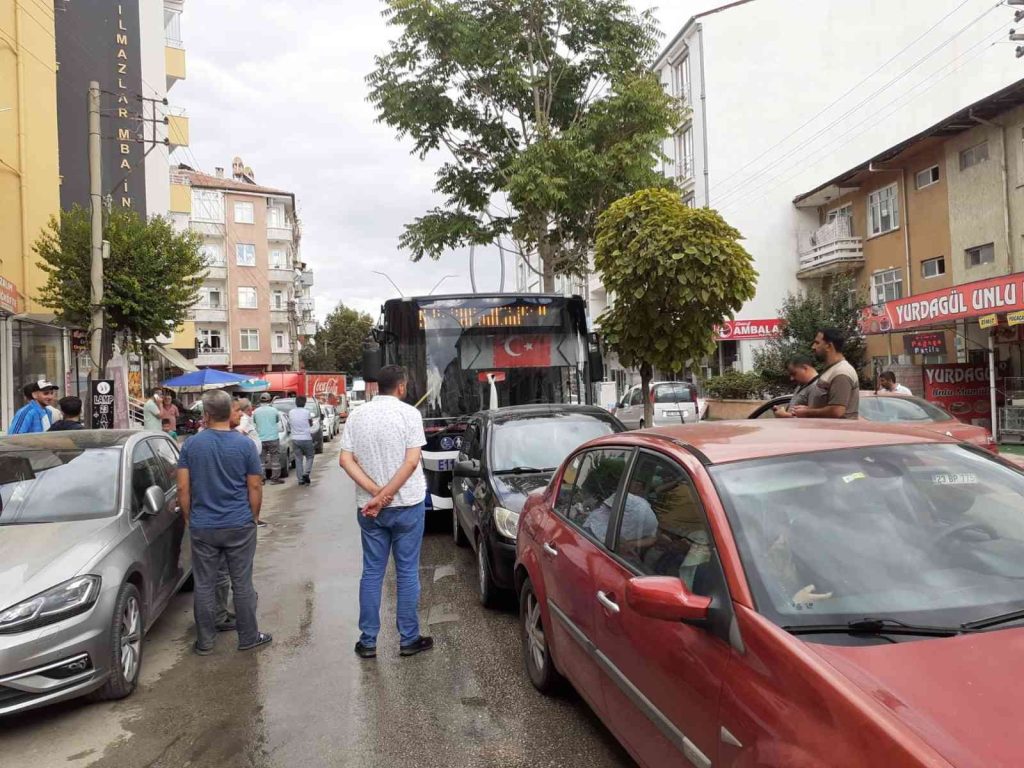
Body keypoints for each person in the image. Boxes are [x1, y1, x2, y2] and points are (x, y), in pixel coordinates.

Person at [339, 365, 432, 659]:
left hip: (369, 511)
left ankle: (367, 641)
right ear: (402, 387)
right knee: (406, 572)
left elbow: (345, 460)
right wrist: (387, 494)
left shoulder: (357, 415)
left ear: (377, 386)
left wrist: (376, 494)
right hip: (407, 506)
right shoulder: (410, 415)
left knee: (372, 573)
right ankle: (408, 639)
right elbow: (411, 462)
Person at [177, 390, 271, 656]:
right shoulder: (244, 445)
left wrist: (189, 517)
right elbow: (255, 485)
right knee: (242, 583)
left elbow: (183, 488)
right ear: (228, 412)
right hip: (239, 523)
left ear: (205, 415)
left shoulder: (192, 445)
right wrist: (253, 516)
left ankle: (205, 641)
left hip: (204, 525)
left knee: (205, 584)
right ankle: (249, 637)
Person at [792, 328, 860, 420]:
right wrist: (808, 409)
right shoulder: (831, 370)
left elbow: (837, 411)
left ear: (828, 346)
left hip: (837, 433)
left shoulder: (841, 372)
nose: (813, 347)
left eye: (817, 343)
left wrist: (807, 412)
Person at [254, 393, 285, 485]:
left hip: (260, 438)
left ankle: (262, 479)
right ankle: (275, 479)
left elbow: (255, 422)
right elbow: (277, 421)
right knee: (275, 458)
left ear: (260, 400)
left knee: (261, 460)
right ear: (269, 400)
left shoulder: (256, 411)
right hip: (273, 438)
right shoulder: (274, 410)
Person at [289, 395, 315, 486]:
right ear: (304, 403)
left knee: (298, 459)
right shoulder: (306, 412)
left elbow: (290, 423)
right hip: (306, 438)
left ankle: (300, 480)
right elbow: (310, 423)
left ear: (296, 403)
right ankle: (306, 473)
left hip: (295, 439)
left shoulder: (291, 412)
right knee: (310, 456)